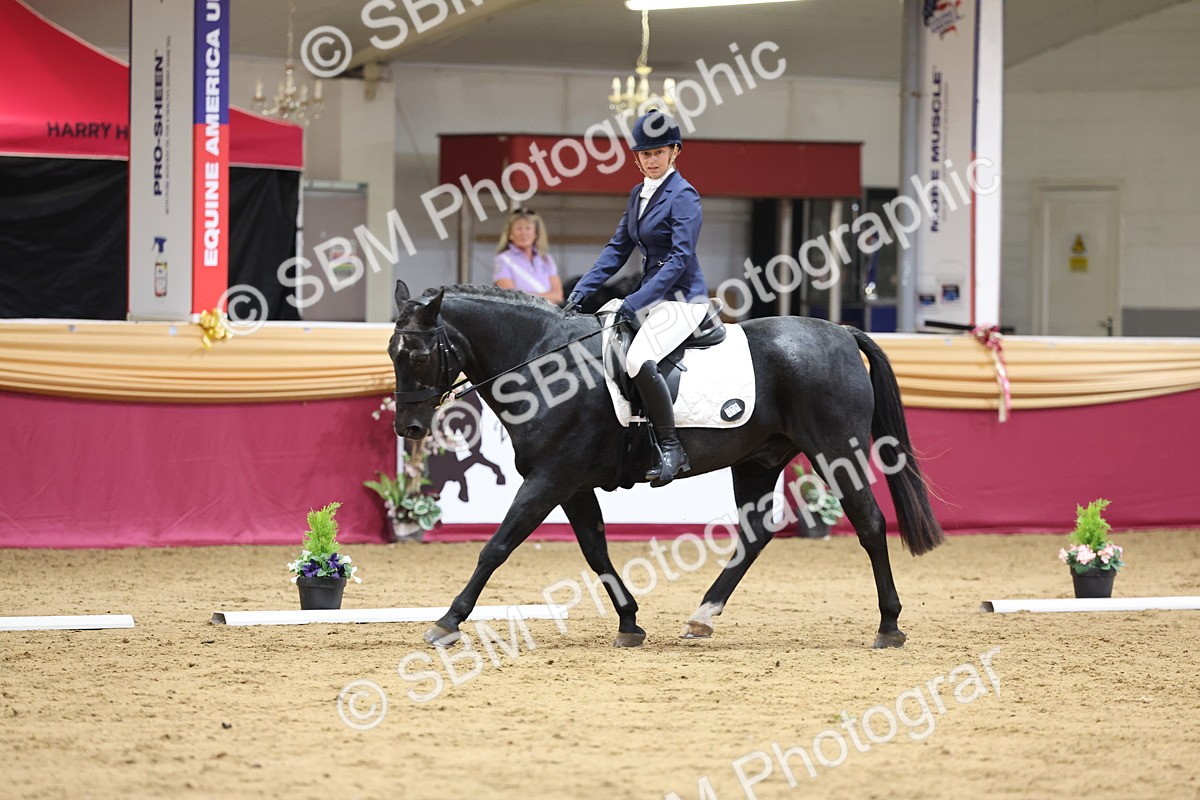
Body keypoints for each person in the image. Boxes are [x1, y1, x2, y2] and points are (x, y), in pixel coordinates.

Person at [563, 109, 709, 487]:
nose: (652, 160)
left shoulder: (684, 195)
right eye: (645, 154)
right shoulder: (638, 195)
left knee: (639, 358)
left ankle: (671, 447)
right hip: (653, 297)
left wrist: (636, 301)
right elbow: (617, 249)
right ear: (636, 158)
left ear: (675, 152)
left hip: (682, 299)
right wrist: (581, 292)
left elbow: (678, 259)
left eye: (659, 152)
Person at [493, 207, 563, 304]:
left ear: (535, 233)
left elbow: (558, 296)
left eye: (528, 228)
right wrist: (545, 297)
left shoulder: (546, 259)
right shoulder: (503, 259)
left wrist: (527, 297)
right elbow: (510, 297)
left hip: (549, 314)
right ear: (510, 234)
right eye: (519, 228)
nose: (523, 233)